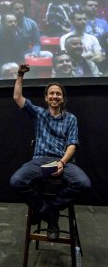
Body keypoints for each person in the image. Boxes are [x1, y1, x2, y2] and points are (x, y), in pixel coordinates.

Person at [10, 64, 91, 241]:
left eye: (58, 94)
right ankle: (48, 213)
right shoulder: (38, 114)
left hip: (63, 161)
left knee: (84, 184)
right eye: (51, 93)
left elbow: (72, 145)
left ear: (62, 98)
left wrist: (62, 162)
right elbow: (17, 97)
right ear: (46, 98)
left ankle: (50, 209)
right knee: (16, 182)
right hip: (39, 161)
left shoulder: (71, 119)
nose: (55, 96)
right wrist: (20, 75)